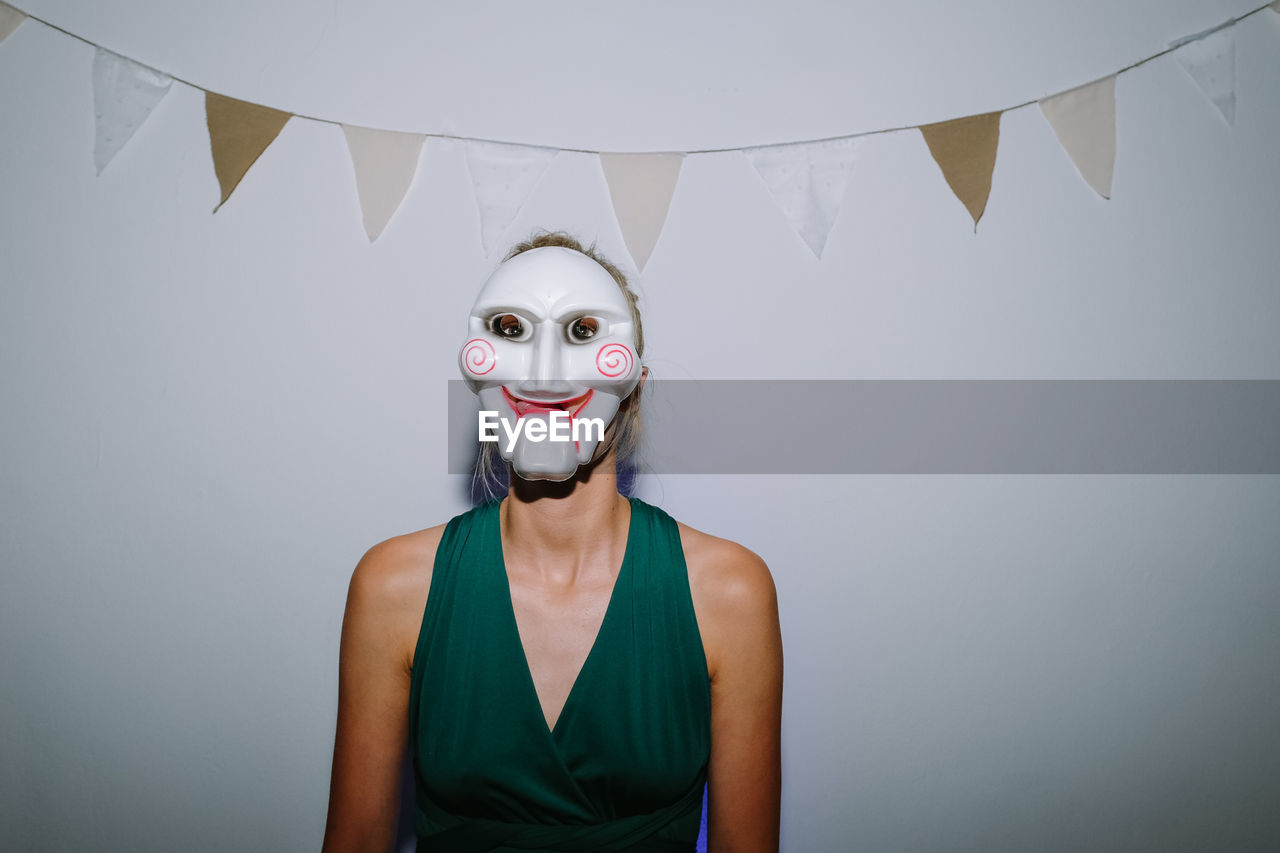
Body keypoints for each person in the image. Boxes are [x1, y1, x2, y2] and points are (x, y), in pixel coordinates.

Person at [322, 232, 783, 853]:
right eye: (511, 329)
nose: (543, 373)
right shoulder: (395, 586)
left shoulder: (728, 592)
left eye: (582, 332)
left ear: (636, 383)